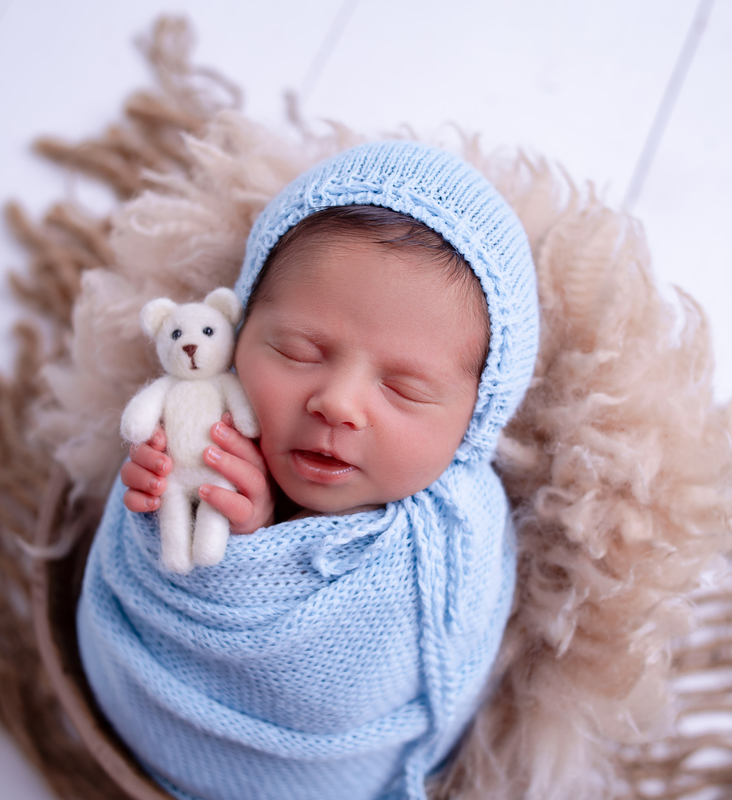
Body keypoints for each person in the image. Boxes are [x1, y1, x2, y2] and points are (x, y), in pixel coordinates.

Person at [77, 140, 540, 800]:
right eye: (298, 351)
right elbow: (144, 565)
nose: (339, 403)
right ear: (239, 329)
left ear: (476, 420)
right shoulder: (205, 422)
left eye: (405, 389)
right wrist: (168, 514)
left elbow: (353, 679)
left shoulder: (455, 535)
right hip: (138, 712)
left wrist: (267, 543)